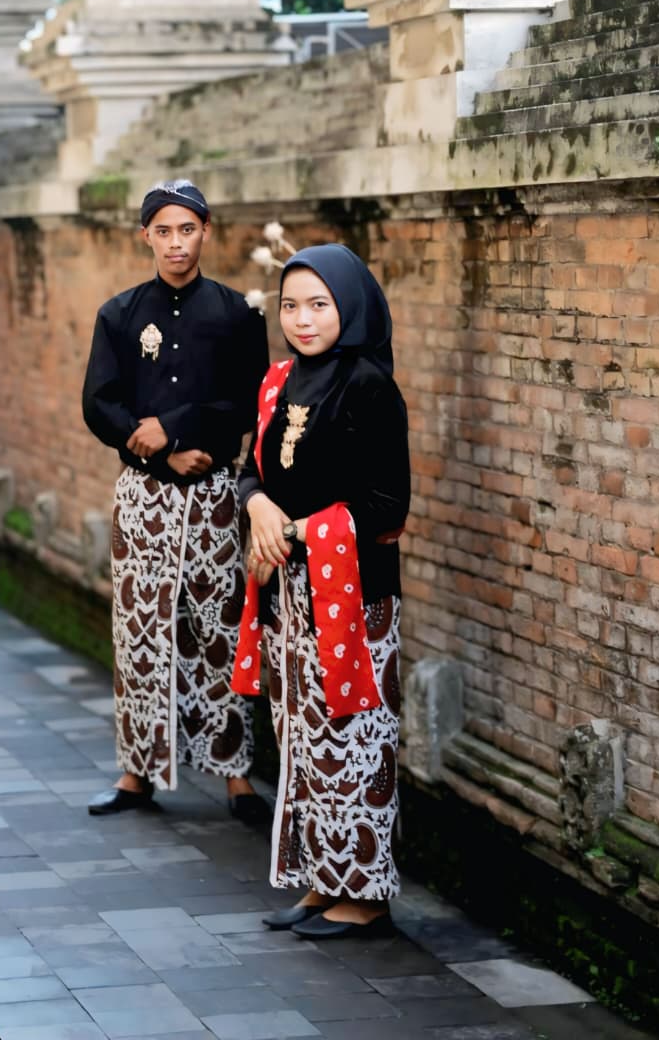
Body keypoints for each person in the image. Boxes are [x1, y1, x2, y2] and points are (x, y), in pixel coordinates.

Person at [233, 243, 410, 938]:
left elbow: (387, 507)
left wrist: (299, 528)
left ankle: (363, 896)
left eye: (318, 305)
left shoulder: (368, 386)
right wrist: (257, 505)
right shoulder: (280, 380)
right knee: (301, 742)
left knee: (353, 742)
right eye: (290, 306)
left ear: (351, 307)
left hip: (354, 603)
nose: (302, 320)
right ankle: (321, 880)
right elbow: (251, 468)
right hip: (289, 594)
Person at [82, 178, 271, 824]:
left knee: (219, 627)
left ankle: (236, 774)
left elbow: (250, 403)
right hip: (144, 495)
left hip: (216, 494)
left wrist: (178, 426)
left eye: (186, 229)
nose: (175, 243)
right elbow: (99, 404)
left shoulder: (239, 315)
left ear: (206, 231)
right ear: (145, 236)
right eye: (162, 231)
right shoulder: (119, 314)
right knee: (140, 631)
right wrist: (161, 454)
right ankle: (136, 772)